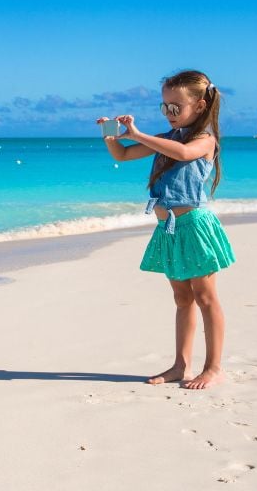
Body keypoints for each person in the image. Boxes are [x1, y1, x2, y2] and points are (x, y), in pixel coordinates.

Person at [98, 69, 235, 390]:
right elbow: (124, 154)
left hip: (194, 227)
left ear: (200, 106)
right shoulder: (168, 138)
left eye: (176, 107)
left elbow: (185, 154)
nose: (169, 114)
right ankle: (180, 365)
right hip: (169, 228)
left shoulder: (204, 140)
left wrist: (140, 133)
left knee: (205, 296)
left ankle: (213, 367)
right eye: (165, 107)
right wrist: (111, 136)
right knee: (181, 298)